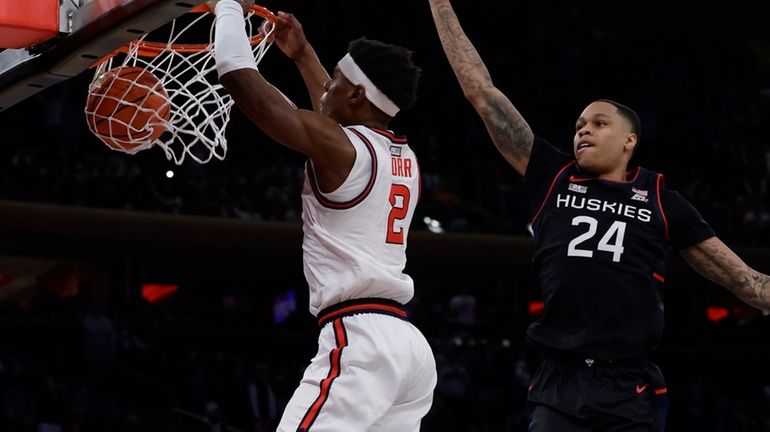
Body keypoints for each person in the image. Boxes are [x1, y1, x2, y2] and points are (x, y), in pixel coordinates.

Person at [426, 0, 770, 430]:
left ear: (630, 141)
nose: (583, 130)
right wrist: (440, 4)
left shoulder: (661, 199)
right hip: (559, 379)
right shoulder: (552, 175)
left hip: (627, 385)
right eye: (578, 125)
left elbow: (747, 282)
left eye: (598, 123)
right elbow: (481, 91)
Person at [206, 1, 437, 430]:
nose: (326, 88)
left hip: (362, 340)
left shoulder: (346, 148)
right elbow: (333, 119)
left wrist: (227, 10)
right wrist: (302, 55)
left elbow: (245, 86)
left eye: (335, 81)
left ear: (356, 94)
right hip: (408, 347)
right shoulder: (403, 156)